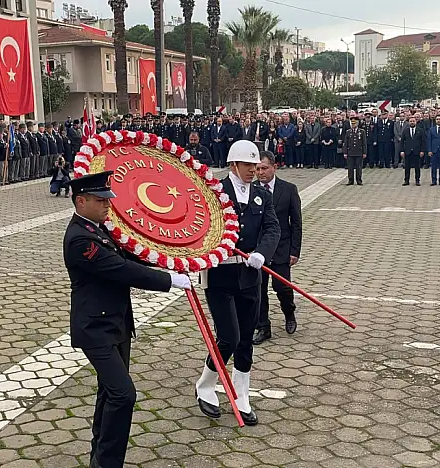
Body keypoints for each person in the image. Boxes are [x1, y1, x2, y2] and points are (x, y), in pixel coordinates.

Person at [63, 171, 191, 468]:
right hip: (95, 328)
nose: (107, 206)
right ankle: (107, 462)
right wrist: (168, 280)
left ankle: (99, 454)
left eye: (107, 200)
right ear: (80, 202)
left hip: (116, 323)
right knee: (123, 395)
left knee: (109, 392)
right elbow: (121, 269)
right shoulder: (81, 239)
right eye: (99, 201)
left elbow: (130, 257)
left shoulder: (98, 227)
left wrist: (168, 259)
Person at [195, 140, 280, 427]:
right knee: (228, 336)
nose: (253, 171)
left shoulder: (260, 195)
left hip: (249, 276)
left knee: (245, 339)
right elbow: (202, 227)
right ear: (233, 165)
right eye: (247, 166)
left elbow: (272, 227)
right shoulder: (215, 191)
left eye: (256, 167)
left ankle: (241, 394)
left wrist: (261, 253)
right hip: (219, 276)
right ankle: (206, 385)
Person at [252, 151, 301, 345]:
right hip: (258, 249)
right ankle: (263, 326)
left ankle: (289, 312)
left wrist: (294, 251)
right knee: (259, 289)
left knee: (282, 287)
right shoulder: (251, 189)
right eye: (257, 169)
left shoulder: (288, 189)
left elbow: (296, 222)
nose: (260, 173)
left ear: (274, 167)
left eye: (264, 168)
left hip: (282, 247)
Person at [400, 116, 425, 186]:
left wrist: (422, 151)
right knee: (407, 167)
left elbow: (423, 141)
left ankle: (417, 180)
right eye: (411, 121)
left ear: (416, 122)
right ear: (408, 122)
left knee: (417, 167)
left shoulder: (420, 130)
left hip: (417, 151)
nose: (412, 122)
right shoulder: (405, 131)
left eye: (413, 121)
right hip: (407, 151)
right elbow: (402, 142)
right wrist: (402, 151)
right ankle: (406, 180)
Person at [342, 116, 367, 185]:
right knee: (350, 167)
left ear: (357, 124)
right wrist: (345, 152)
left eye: (355, 123)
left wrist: (364, 152)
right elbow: (345, 143)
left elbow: (364, 143)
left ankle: (359, 180)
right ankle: (351, 180)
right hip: (350, 152)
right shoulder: (348, 132)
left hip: (359, 152)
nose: (353, 125)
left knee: (359, 167)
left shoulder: (362, 132)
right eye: (352, 124)